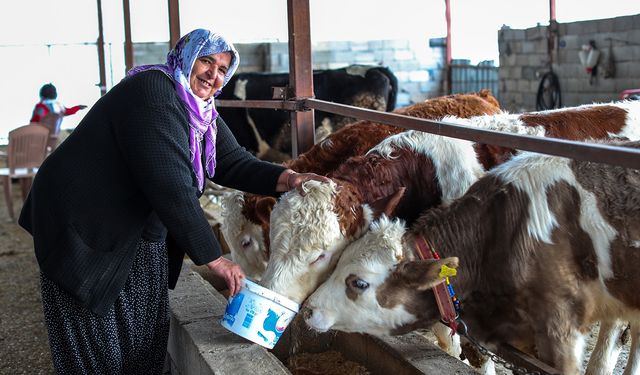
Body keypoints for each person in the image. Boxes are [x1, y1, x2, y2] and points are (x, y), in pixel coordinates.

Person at [19, 28, 329, 374]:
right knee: (94, 333)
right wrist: (215, 260)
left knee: (146, 330)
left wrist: (290, 179)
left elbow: (231, 161)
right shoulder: (154, 92)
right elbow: (170, 185)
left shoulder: (200, 111)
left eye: (223, 68)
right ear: (186, 57)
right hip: (83, 222)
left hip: (133, 225)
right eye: (206, 61)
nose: (214, 74)